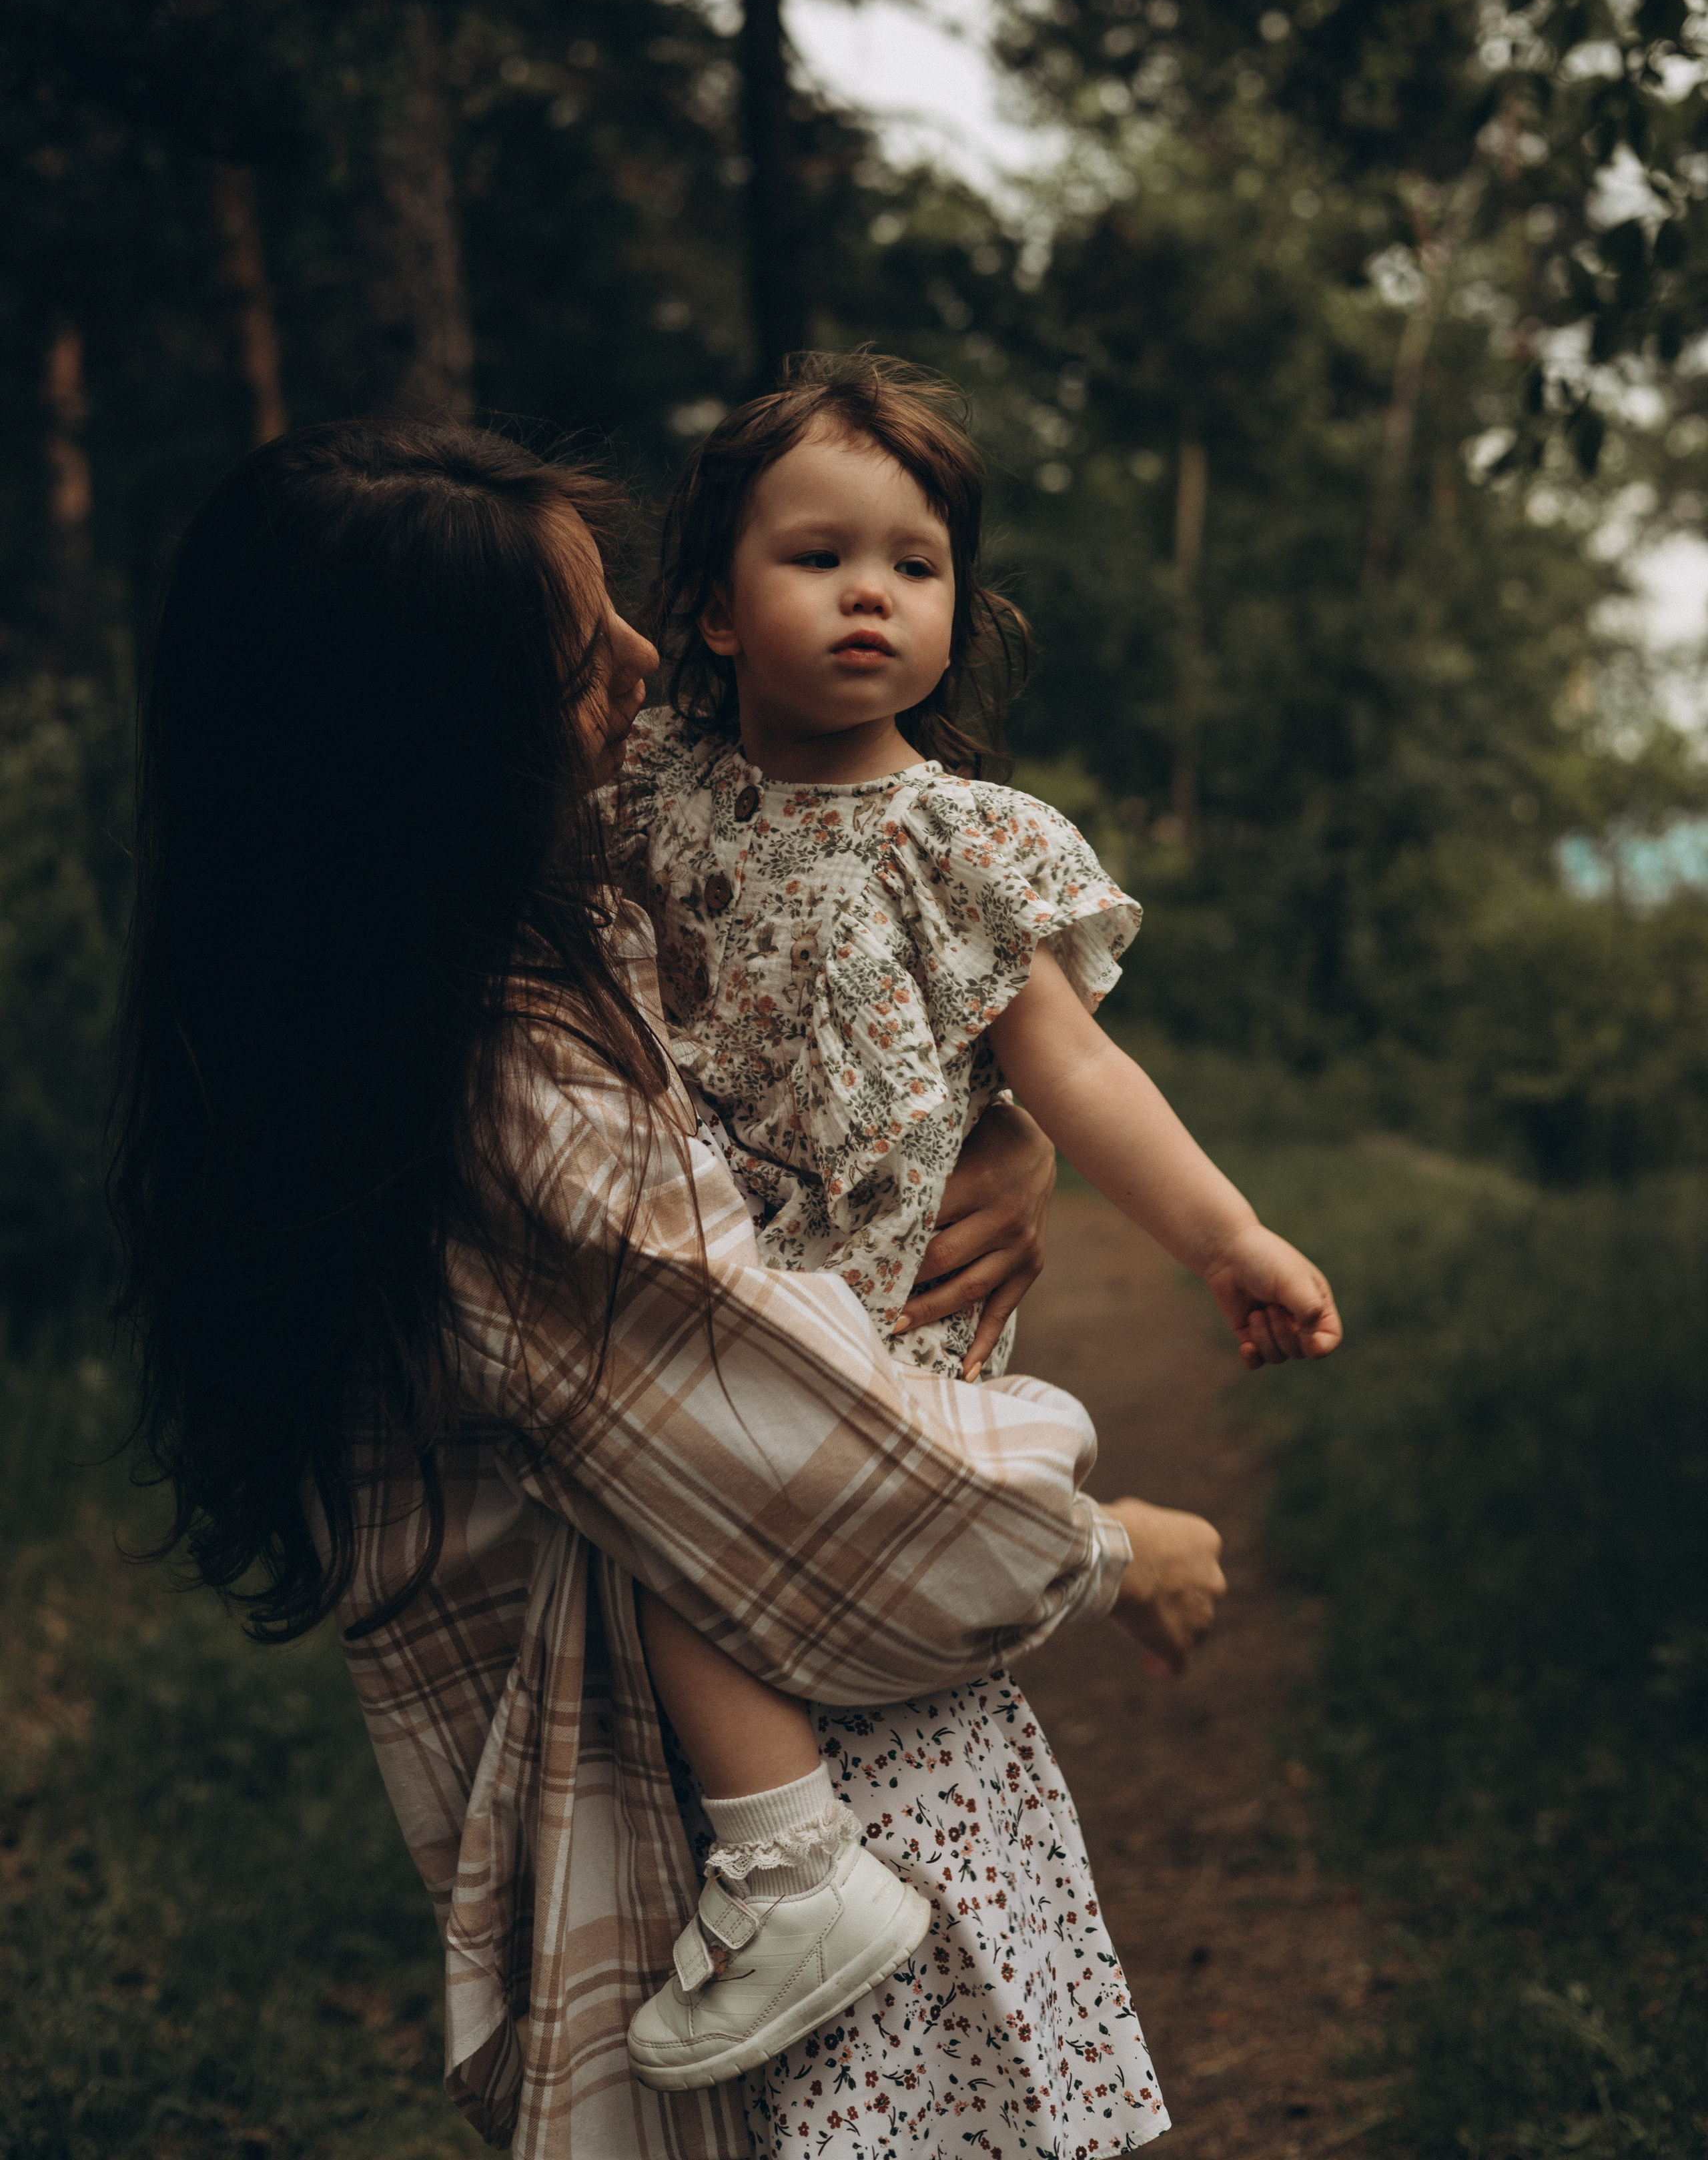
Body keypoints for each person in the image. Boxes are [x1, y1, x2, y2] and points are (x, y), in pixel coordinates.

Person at [109, 417, 1228, 2160]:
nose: (644, 656)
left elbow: (815, 1071)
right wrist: (1103, 1540)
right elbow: (803, 1459)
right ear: (437, 752)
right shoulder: (500, 1084)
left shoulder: (422, 1005)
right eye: (579, 656)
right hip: (719, 1820)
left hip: (715, 1806)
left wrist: (1008, 1127)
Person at [608, 356, 1342, 2111]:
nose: (870, 592)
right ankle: (787, 1874)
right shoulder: (650, 806)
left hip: (890, 1347)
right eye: (816, 557)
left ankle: (840, 1924)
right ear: (710, 608)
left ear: (963, 606)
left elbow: (1077, 1072)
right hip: (710, 1328)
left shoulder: (972, 846)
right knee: (673, 1543)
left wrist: (1228, 1240)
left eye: (913, 563)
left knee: (841, 1640)